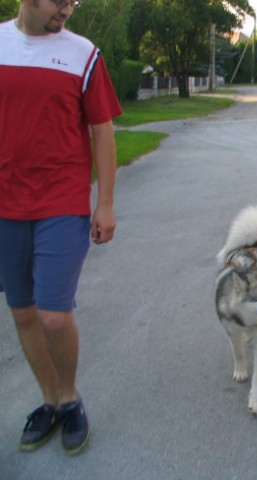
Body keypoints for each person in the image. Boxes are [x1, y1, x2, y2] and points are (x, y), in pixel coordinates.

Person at [0, 0, 122, 455]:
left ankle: (70, 399)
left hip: (61, 202)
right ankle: (48, 401)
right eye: (60, 0)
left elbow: (103, 130)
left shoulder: (82, 53)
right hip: (5, 206)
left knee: (53, 314)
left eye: (74, 1)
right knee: (23, 312)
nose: (68, 9)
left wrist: (105, 203)